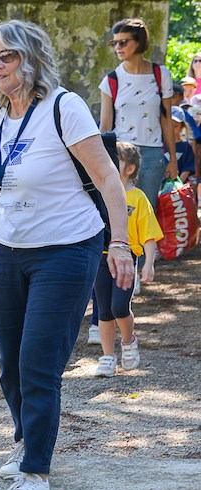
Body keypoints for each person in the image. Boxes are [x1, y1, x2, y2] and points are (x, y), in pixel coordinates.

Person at [0, 20, 133, 490]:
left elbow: (107, 178)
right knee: (10, 364)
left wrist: (119, 243)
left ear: (31, 58)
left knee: (38, 363)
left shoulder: (64, 107)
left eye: (6, 56)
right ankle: (25, 440)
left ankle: (36, 476)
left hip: (67, 250)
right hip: (7, 252)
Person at [94, 142, 162, 378]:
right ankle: (107, 357)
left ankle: (128, 340)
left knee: (119, 306)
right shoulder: (100, 192)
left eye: (117, 160)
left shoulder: (139, 198)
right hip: (100, 258)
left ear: (130, 169)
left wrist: (149, 264)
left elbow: (150, 235)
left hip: (125, 258)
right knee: (103, 310)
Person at [99, 17, 178, 211]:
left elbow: (166, 120)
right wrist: (101, 161)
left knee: (147, 212)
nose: (118, 47)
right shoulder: (111, 80)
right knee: (118, 212)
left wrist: (173, 160)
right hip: (122, 153)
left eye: (123, 42)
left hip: (153, 153)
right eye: (114, 42)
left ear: (139, 41)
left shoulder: (161, 74)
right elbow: (105, 126)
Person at [169, 106, 197, 184]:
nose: (171, 129)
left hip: (179, 189)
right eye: (169, 125)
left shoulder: (186, 146)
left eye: (175, 126)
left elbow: (187, 169)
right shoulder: (160, 146)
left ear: (182, 126)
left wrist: (177, 185)